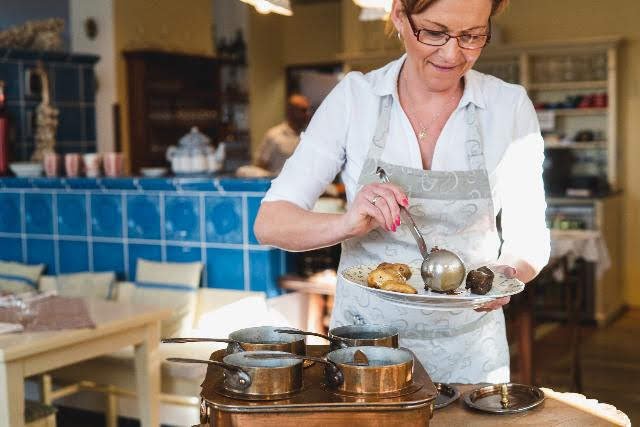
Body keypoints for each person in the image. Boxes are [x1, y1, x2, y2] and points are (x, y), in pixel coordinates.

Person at [255, 0, 550, 384]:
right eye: (434, 32)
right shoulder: (355, 100)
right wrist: (346, 224)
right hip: (364, 354)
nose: (452, 53)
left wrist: (506, 273)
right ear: (398, 15)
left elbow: (530, 235)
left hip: (470, 353)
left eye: (472, 36)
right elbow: (271, 222)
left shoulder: (507, 106)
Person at [254, 94, 311, 175]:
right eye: (303, 110)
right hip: (279, 186)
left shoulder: (309, 137)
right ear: (290, 111)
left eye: (309, 110)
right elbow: (260, 167)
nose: (307, 114)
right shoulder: (274, 135)